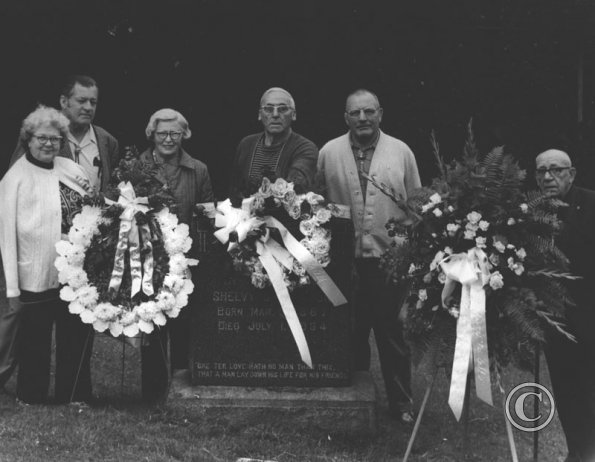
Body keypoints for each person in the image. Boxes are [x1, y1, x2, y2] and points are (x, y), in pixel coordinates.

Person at [317, 89, 421, 423]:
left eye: (369, 112)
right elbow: (316, 202)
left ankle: (401, 404)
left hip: (389, 260)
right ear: (345, 118)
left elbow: (415, 205)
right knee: (350, 330)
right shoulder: (329, 152)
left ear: (380, 114)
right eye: (355, 113)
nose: (363, 119)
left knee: (392, 332)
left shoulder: (401, 151)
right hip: (343, 260)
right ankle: (354, 401)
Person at [0, 105, 94, 404]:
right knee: (35, 338)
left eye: (55, 139)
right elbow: (6, 236)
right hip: (35, 271)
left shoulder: (71, 169)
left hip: (75, 270)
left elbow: (92, 210)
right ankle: (32, 394)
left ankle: (75, 393)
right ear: (28, 139)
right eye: (42, 138)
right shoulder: (15, 178)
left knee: (75, 333)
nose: (48, 144)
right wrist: (13, 287)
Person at [138, 108, 214, 402]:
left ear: (184, 135)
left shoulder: (198, 170)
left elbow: (208, 215)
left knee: (184, 328)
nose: (168, 139)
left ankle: (182, 394)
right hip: (146, 260)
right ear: (151, 135)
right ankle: (152, 395)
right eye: (162, 134)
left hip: (185, 262)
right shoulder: (136, 167)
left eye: (175, 133)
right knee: (151, 326)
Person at [535, 149, 595, 462]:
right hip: (554, 321)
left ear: (571, 174)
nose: (548, 177)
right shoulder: (529, 212)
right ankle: (578, 451)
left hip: (590, 316)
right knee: (567, 391)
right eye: (542, 171)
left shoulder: (592, 204)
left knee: (589, 392)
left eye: (556, 170)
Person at [10, 74, 119, 192]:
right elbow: (15, 181)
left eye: (93, 102)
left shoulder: (108, 141)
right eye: (81, 101)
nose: (88, 107)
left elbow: (112, 190)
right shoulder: (38, 134)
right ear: (63, 101)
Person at [229, 87, 318, 197]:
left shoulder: (304, 148)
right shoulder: (246, 145)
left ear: (294, 115)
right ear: (260, 115)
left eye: (283, 109)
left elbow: (293, 188)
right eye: (269, 109)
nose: (275, 114)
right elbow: (234, 191)